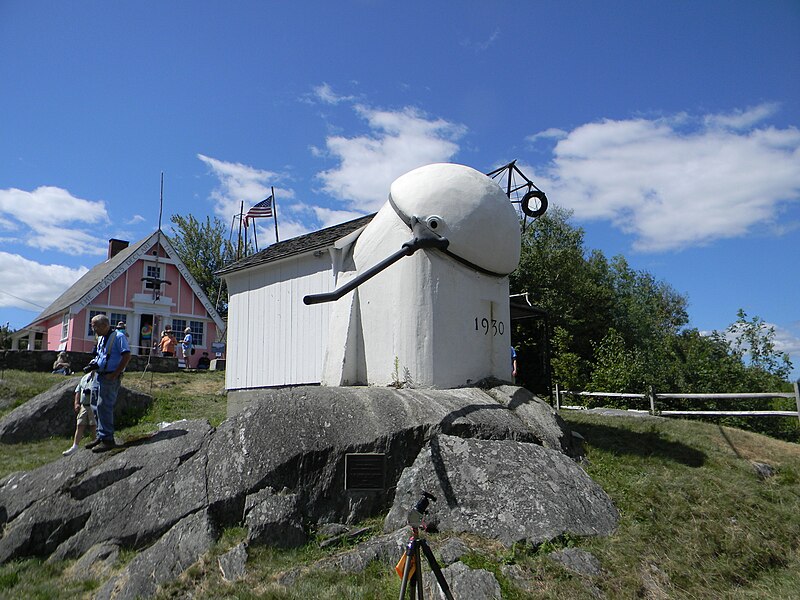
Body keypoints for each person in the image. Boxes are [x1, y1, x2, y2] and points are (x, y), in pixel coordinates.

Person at [85, 314, 131, 453]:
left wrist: (115, 374)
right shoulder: (100, 338)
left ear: (105, 325)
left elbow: (127, 355)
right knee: (94, 405)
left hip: (109, 377)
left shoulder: (118, 337)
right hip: (98, 375)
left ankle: (108, 439)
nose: (93, 329)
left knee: (104, 405)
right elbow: (100, 355)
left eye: (95, 326)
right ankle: (101, 434)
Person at [62, 371, 98, 456]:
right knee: (80, 424)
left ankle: (95, 443)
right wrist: (76, 403)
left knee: (93, 425)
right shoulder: (85, 377)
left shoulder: (98, 377)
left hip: (93, 404)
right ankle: (75, 446)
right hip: (84, 405)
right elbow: (78, 391)